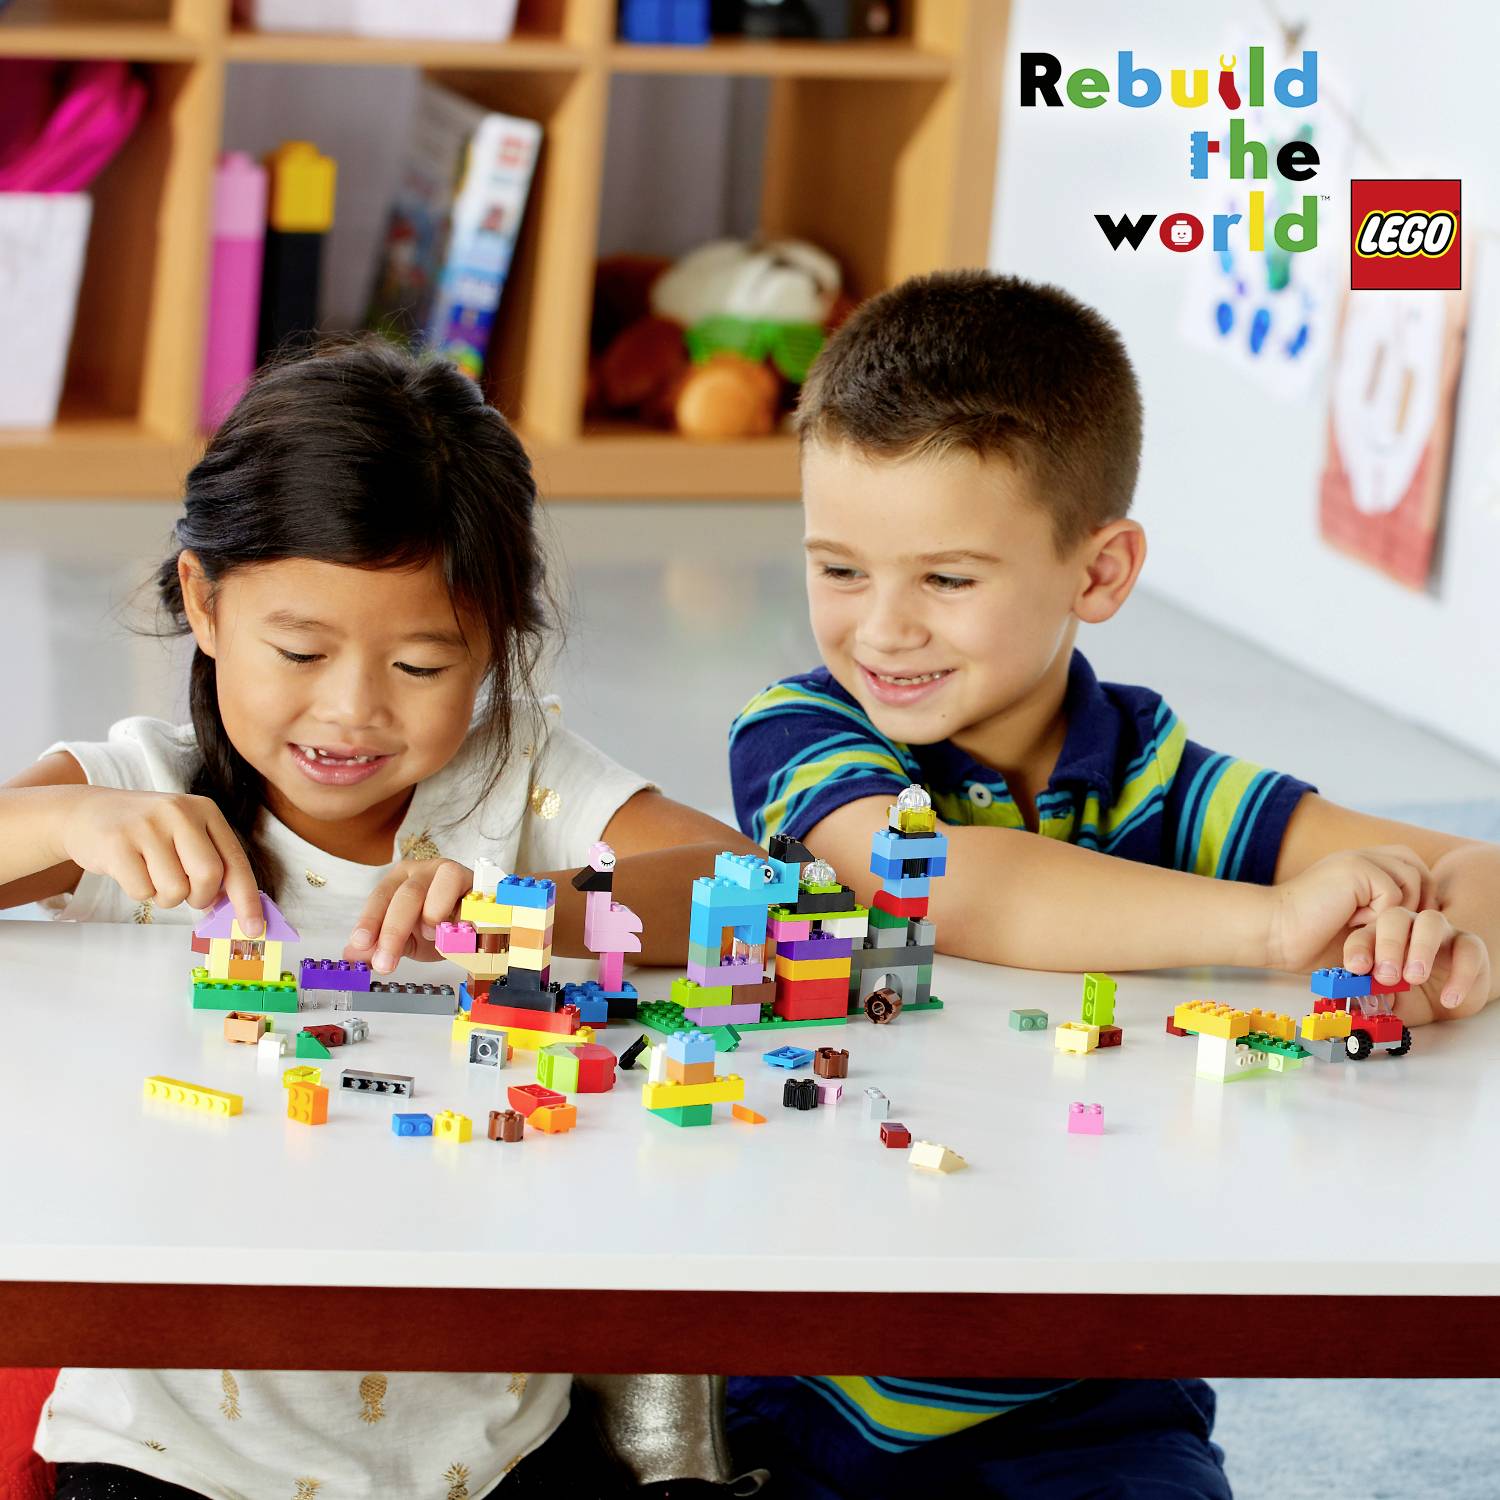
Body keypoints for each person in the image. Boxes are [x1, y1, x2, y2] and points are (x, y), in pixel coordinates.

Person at [724, 270, 1500, 1497]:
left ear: (1098, 575)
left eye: (946, 579)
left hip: (1102, 1392)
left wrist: (1446, 941)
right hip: (824, 1387)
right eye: (841, 570)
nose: (881, 630)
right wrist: (1272, 923)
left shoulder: (1160, 782)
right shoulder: (800, 737)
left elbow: (1478, 864)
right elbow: (946, 882)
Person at [0, 337, 763, 1500]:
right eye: (299, 651)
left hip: (489, 1446)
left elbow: (756, 885)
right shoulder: (140, 783)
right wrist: (63, 826)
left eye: (420, 663)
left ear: (494, 642)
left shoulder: (522, 787)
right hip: (172, 1455)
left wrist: (533, 908)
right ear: (204, 600)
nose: (351, 712)